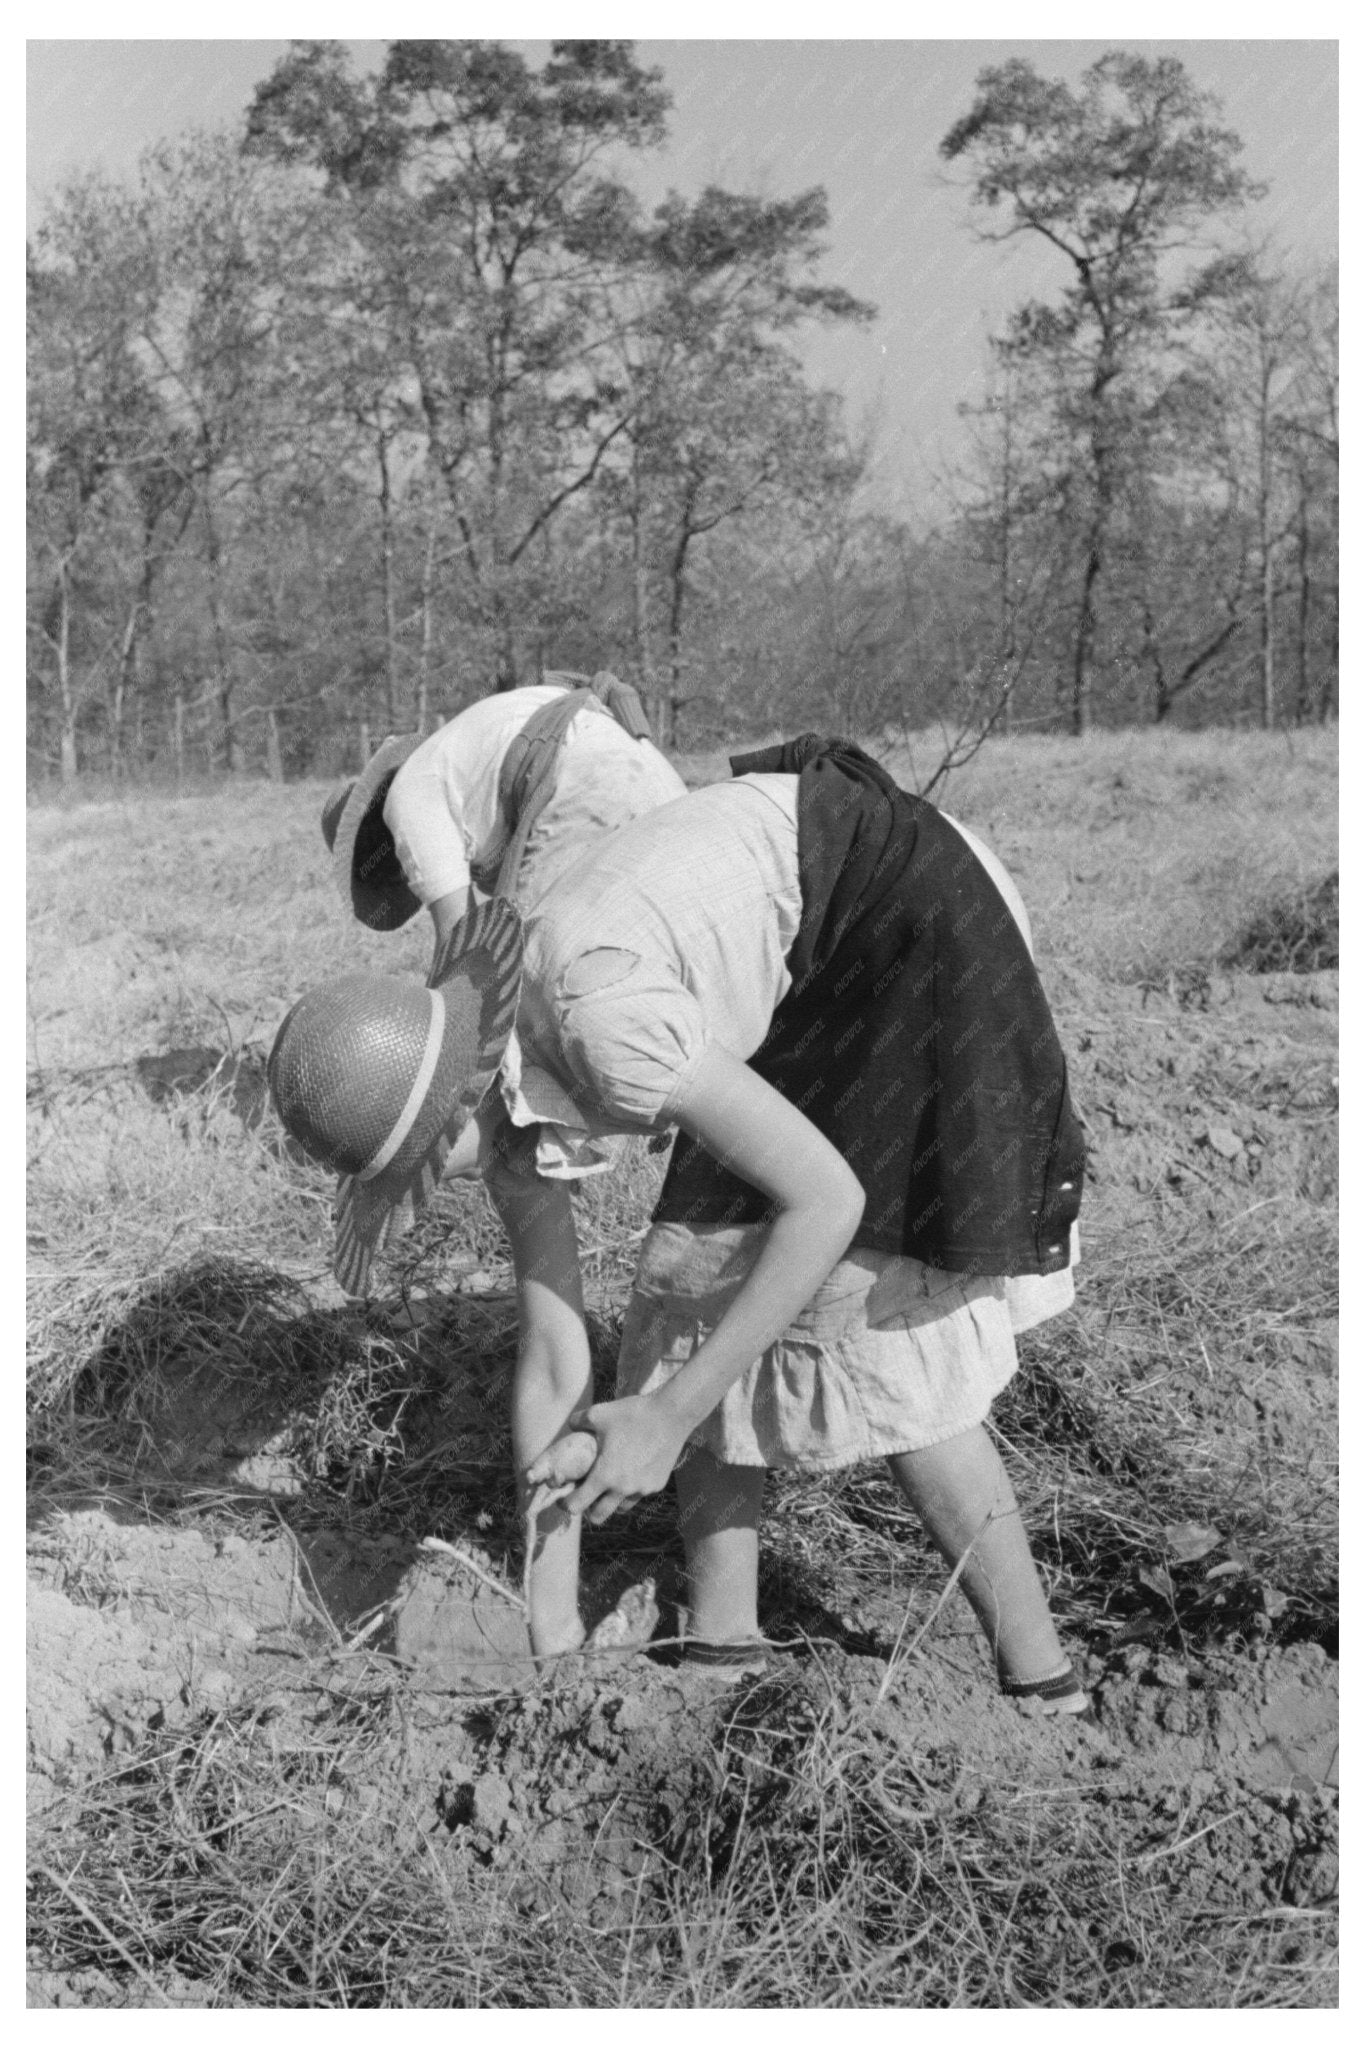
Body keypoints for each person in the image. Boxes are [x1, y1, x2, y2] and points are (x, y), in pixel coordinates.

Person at [272, 736, 1089, 1715]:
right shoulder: (482, 1067)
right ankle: (723, 1650)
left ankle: (1046, 1683)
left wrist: (667, 1417)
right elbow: (552, 1359)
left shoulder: (596, 1020)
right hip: (797, 962)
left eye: (413, 1176)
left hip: (906, 917)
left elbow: (829, 1202)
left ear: (441, 1109)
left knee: (873, 1310)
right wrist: (552, 1624)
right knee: (685, 1287)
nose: (430, 1195)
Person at [319, 670, 687, 967]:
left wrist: (435, 1038)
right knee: (662, 950)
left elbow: (462, 943)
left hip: (588, 783)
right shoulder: (456, 765)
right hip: (655, 773)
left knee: (535, 975)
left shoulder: (408, 798)